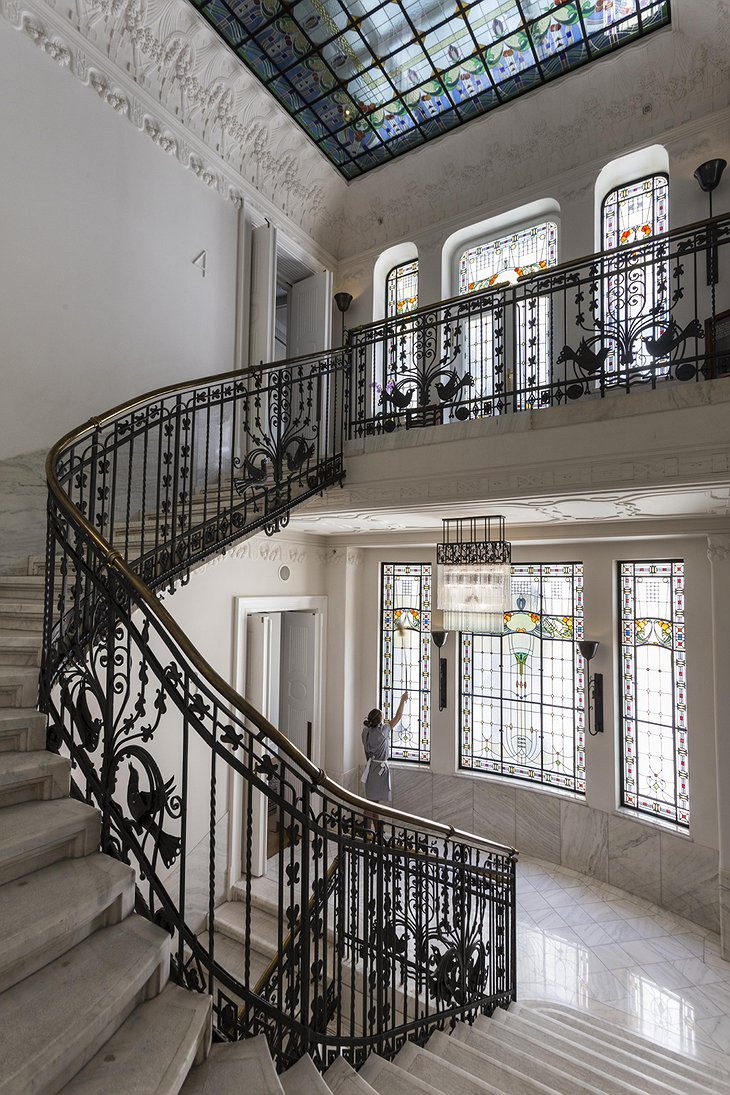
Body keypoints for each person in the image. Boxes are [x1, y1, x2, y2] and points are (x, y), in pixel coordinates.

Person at [361, 692, 408, 827]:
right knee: (371, 805)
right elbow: (398, 717)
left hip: (370, 768)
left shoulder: (365, 732)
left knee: (373, 803)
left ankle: (375, 833)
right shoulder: (384, 731)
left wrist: (370, 763)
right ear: (380, 720)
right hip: (380, 770)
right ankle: (367, 833)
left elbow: (366, 751)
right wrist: (402, 700)